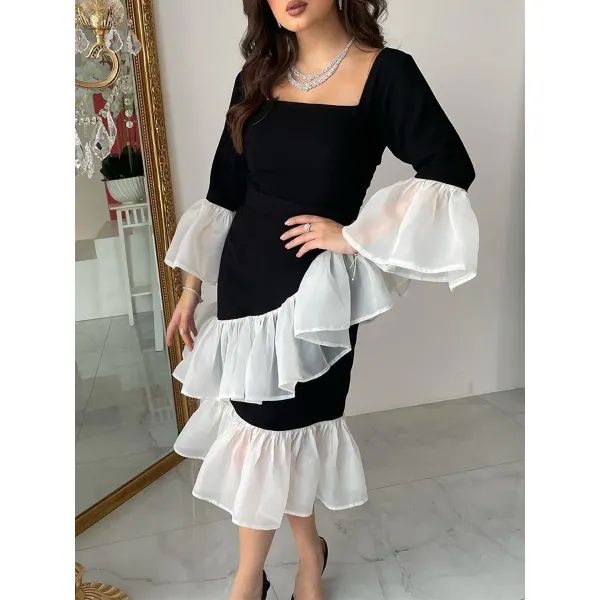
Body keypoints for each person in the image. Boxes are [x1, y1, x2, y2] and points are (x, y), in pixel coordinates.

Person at [164, 1, 479, 598]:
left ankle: (253, 579)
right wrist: (191, 287)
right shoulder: (258, 73)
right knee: (257, 428)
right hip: (245, 279)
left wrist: (353, 235)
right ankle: (295, 559)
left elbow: (448, 168)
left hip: (315, 293)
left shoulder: (387, 73)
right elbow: (225, 189)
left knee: (287, 427)